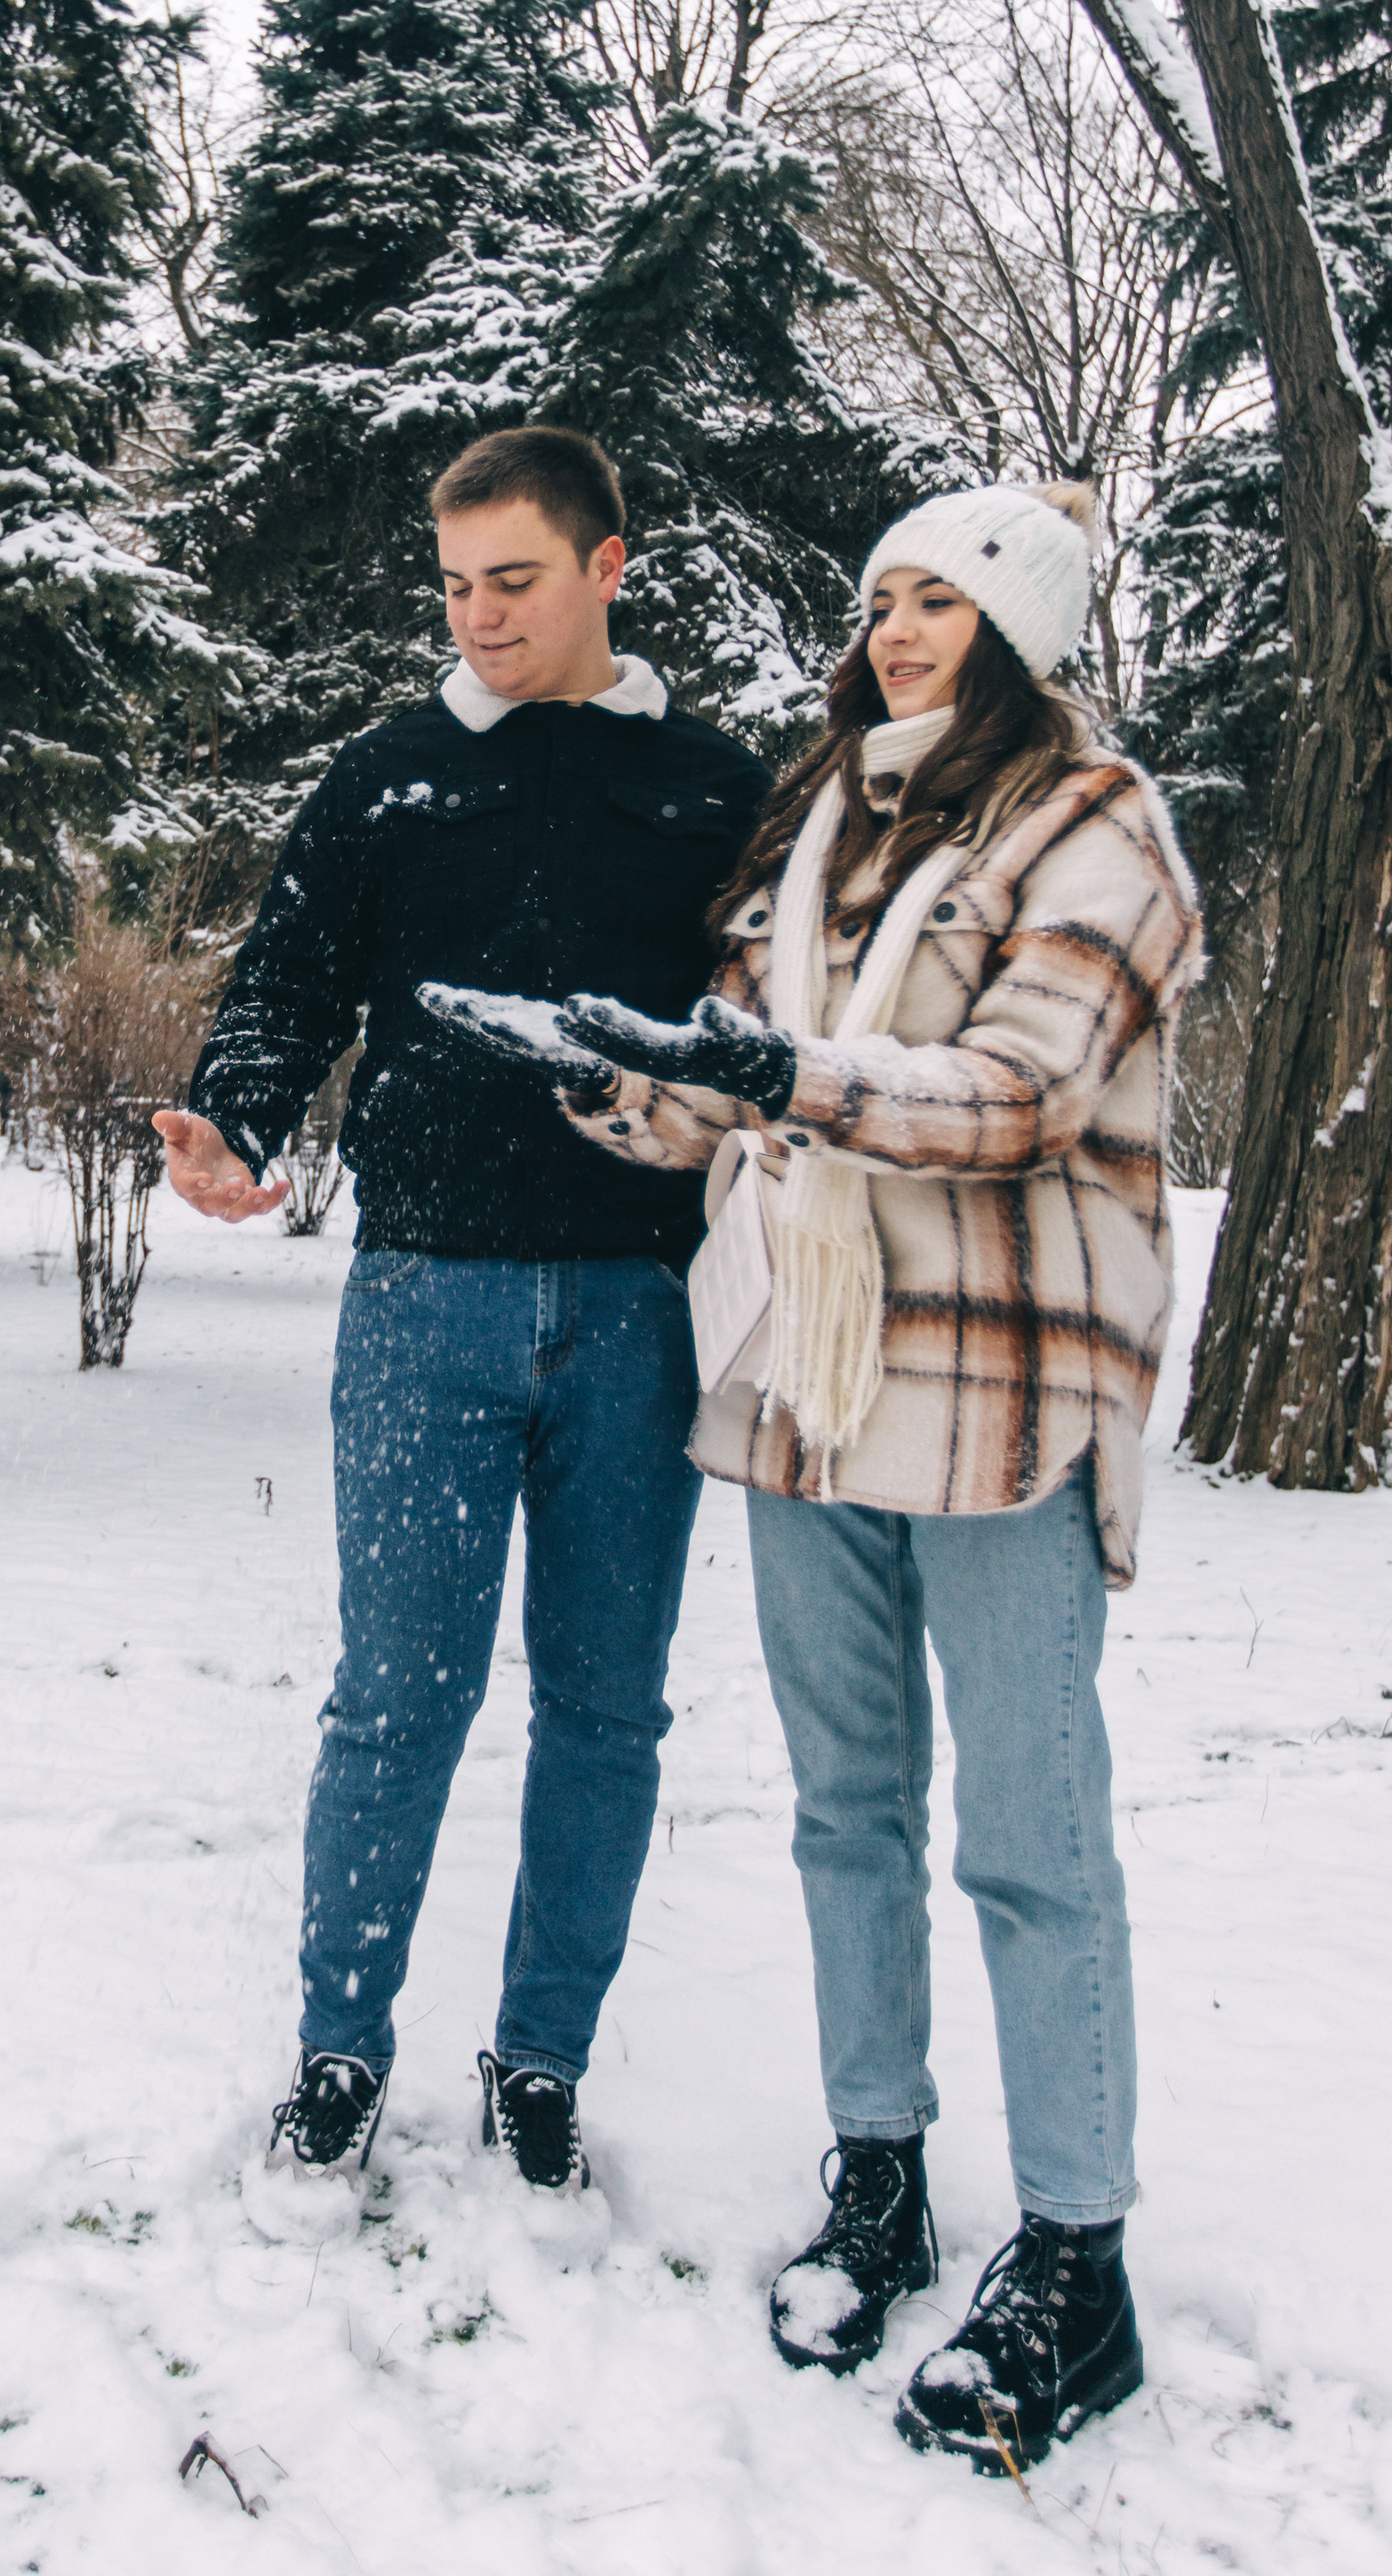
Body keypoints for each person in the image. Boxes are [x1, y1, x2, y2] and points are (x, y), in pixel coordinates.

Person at [436, 477, 1204, 2474]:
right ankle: (879, 2176)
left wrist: (771, 1077)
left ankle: (1075, 2254)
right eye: (879, 594)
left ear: (1019, 626)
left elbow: (1022, 1089)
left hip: (996, 1385)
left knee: (1028, 1837)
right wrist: (606, 1071)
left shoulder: (1092, 825)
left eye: (942, 596)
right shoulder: (817, 829)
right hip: (802, 1373)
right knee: (843, 1815)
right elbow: (729, 1106)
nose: (898, 623)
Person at [155, 426, 767, 2218]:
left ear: (606, 568)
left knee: (603, 1711)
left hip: (638, 1311)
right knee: (394, 1701)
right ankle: (339, 2053)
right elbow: (286, 976)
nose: (476, 615)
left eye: (511, 580)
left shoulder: (709, 789)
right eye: (451, 585)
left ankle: (538, 2065)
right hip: (425, 1298)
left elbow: (775, 1007)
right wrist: (236, 1119)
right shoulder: (389, 776)